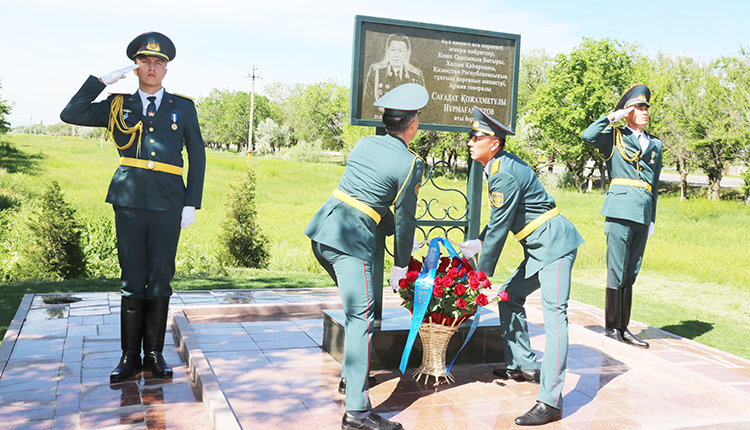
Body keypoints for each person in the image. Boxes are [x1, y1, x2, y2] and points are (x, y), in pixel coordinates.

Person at [60, 32, 206, 382]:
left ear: (166, 70)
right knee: (132, 278)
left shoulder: (183, 107)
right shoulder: (117, 105)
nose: (152, 67)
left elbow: (198, 157)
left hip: (169, 202)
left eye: (159, 63)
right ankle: (129, 356)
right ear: (136, 67)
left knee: (160, 278)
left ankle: (154, 354)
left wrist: (192, 203)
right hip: (128, 201)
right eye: (145, 61)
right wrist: (101, 81)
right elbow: (70, 113)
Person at [304, 83, 427, 430]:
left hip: (324, 233)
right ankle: (357, 413)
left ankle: (350, 377)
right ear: (413, 123)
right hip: (351, 243)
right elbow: (405, 219)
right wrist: (402, 264)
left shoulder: (364, 144)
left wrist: (386, 229)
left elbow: (368, 196)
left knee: (355, 310)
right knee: (363, 318)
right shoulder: (411, 164)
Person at [459, 107, 584, 426]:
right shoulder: (497, 167)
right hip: (540, 245)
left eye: (477, 137)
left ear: (495, 143)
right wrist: (481, 241)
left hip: (555, 246)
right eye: (471, 137)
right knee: (509, 296)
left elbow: (501, 228)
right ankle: (522, 365)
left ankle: (551, 402)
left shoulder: (502, 172)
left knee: (555, 315)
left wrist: (479, 277)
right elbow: (500, 218)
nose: (471, 142)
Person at [580, 85, 662, 349]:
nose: (645, 111)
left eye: (646, 107)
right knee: (616, 270)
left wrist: (652, 219)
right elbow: (587, 135)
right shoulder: (613, 138)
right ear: (628, 111)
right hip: (619, 211)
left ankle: (624, 328)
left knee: (631, 272)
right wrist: (613, 116)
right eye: (639, 107)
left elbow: (655, 185)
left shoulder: (655, 144)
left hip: (642, 213)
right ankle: (611, 327)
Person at [363, 34, 426, 119]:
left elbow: (421, 107)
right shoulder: (376, 71)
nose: (396, 55)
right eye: (393, 50)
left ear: (407, 53)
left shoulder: (416, 75)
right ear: (388, 51)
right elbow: (367, 105)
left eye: (400, 50)